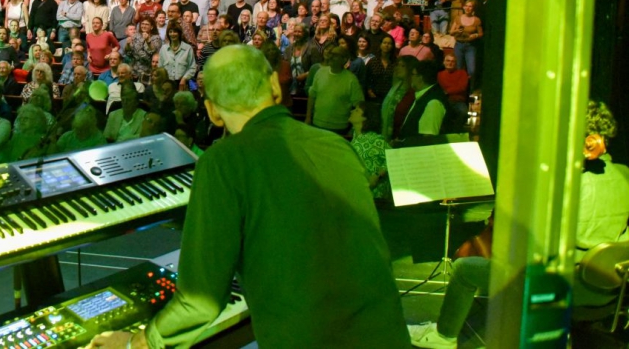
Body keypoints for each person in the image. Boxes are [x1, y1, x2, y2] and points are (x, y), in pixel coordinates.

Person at [86, 45, 409, 348]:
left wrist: (137, 341)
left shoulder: (222, 162)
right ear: (275, 86)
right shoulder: (336, 146)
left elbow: (199, 302)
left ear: (212, 111)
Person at [408, 100, 629, 348]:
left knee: (464, 269)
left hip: (560, 286)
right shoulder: (623, 175)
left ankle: (443, 337)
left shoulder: (562, 186)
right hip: (608, 289)